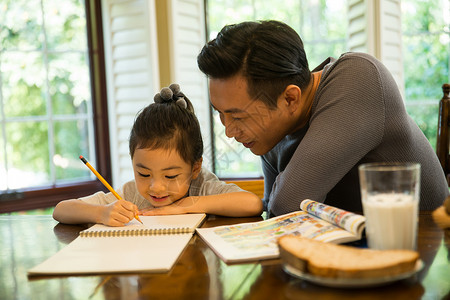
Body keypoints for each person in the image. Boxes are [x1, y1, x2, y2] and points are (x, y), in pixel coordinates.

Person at [197, 20, 449, 217]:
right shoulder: (271, 133)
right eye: (219, 112)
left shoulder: (359, 78)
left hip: (427, 249)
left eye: (238, 116)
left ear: (290, 99)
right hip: (349, 258)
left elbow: (287, 204)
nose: (228, 131)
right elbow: (276, 217)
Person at [53, 84, 263, 226]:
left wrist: (187, 206)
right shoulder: (131, 193)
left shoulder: (203, 186)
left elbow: (252, 203)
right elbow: (61, 210)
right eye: (143, 174)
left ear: (195, 168)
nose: (156, 187)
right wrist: (101, 213)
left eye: (170, 176)